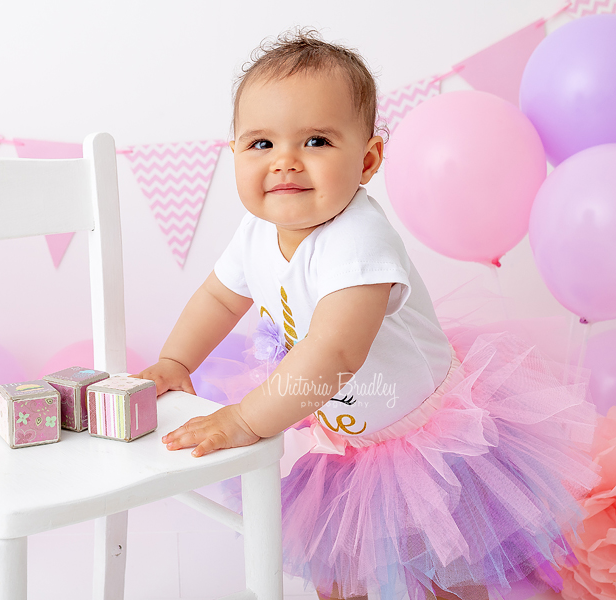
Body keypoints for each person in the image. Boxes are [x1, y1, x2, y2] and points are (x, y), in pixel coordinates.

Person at [136, 28, 600, 600]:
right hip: (351, 441)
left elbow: (335, 351)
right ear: (233, 152)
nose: (285, 162)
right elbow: (218, 297)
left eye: (316, 142)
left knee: (446, 573)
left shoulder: (358, 237)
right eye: (261, 144)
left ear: (368, 159)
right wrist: (176, 360)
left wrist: (244, 420)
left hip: (433, 444)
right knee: (348, 574)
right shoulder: (256, 231)